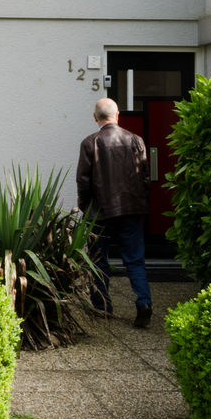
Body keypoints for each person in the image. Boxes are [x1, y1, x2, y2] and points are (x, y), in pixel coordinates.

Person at [76, 97, 153, 328]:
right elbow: (144, 177)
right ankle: (144, 302)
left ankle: (102, 307)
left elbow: (83, 181)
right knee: (135, 260)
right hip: (130, 210)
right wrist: (140, 203)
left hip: (99, 213)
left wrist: (85, 207)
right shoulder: (135, 140)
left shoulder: (90, 143)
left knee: (99, 260)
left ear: (95, 117)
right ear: (118, 115)